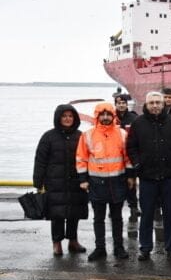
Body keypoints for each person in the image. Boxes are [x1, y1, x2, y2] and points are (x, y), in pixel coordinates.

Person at [127, 91, 171, 260]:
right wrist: (138, 164)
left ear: (163, 104)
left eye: (158, 102)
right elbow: (131, 147)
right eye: (152, 102)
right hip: (147, 177)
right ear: (146, 104)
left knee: (170, 213)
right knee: (147, 214)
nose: (155, 105)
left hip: (168, 177)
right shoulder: (138, 123)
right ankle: (145, 247)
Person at [76, 103, 134, 261]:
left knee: (117, 218)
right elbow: (81, 159)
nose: (106, 117)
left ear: (113, 115)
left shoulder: (122, 133)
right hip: (96, 182)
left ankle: (118, 248)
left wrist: (130, 176)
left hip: (118, 181)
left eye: (109, 114)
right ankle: (100, 248)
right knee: (98, 218)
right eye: (102, 114)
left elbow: (128, 157)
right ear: (97, 116)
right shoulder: (87, 135)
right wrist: (83, 180)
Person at [34, 104, 89, 256]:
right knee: (56, 213)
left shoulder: (81, 136)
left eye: (70, 116)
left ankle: (73, 240)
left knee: (74, 212)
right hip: (55, 181)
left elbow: (88, 158)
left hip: (76, 181)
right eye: (64, 116)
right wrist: (38, 182)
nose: (67, 119)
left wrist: (88, 178)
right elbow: (40, 160)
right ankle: (56, 243)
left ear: (75, 118)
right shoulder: (48, 136)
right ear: (58, 118)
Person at [113, 91, 139, 216]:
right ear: (115, 105)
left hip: (129, 154)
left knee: (131, 183)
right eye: (119, 103)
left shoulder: (134, 118)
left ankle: (133, 206)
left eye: (124, 103)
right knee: (115, 183)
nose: (122, 105)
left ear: (127, 104)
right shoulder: (111, 118)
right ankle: (113, 208)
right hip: (114, 156)